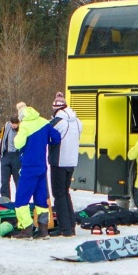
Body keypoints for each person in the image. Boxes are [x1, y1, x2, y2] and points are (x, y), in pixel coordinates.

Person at [14, 105, 61, 238]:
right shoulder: (44, 122)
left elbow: (18, 144)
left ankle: (26, 229)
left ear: (22, 116)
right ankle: (43, 230)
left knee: (21, 200)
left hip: (29, 168)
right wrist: (44, 142)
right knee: (41, 200)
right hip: (42, 167)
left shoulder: (25, 125)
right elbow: (56, 137)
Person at [49, 92, 82, 237]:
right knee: (65, 192)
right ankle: (71, 225)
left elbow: (48, 136)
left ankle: (65, 228)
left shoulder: (57, 121)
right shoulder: (77, 121)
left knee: (58, 194)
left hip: (59, 161)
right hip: (72, 160)